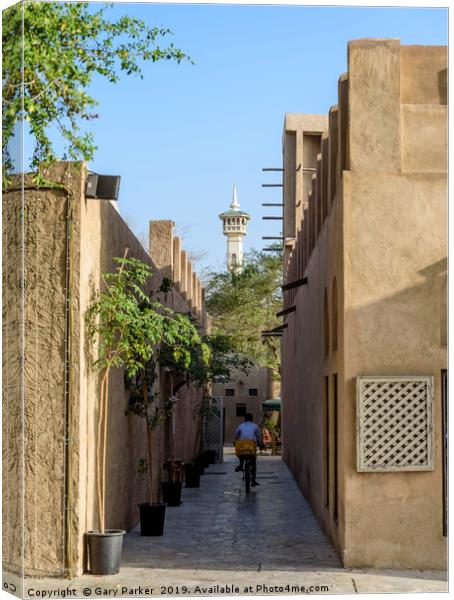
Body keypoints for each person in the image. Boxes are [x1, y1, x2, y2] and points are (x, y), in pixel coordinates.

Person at [233, 413, 260, 486]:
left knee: (241, 452)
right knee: (253, 463)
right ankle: (253, 480)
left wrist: (235, 441)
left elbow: (236, 434)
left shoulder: (241, 426)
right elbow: (258, 437)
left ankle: (241, 465)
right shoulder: (255, 426)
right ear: (252, 419)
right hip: (251, 447)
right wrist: (260, 444)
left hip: (242, 446)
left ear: (244, 419)